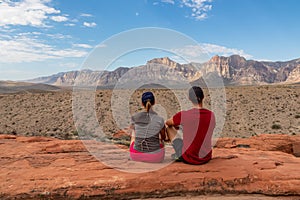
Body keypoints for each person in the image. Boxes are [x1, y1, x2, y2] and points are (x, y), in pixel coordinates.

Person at [165, 86, 215, 165]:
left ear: (189, 98)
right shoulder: (211, 115)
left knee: (169, 129)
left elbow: (168, 123)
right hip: (206, 157)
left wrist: (177, 125)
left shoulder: (184, 115)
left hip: (189, 157)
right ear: (203, 97)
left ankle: (178, 154)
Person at [129, 91, 167, 163]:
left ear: (142, 103)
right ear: (154, 102)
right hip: (156, 157)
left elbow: (130, 131)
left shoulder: (135, 117)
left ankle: (139, 148)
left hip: (136, 156)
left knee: (134, 133)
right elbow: (163, 138)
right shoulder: (160, 119)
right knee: (160, 139)